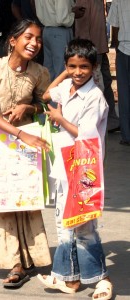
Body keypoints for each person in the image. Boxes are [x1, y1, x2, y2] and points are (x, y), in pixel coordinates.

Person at [0, 19, 52, 288]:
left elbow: (48, 108)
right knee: (3, 202)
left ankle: (30, 256)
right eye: (28, 37)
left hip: (25, 145)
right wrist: (21, 133)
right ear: (13, 40)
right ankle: (14, 263)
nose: (34, 43)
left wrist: (28, 109)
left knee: (26, 199)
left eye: (38, 39)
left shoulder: (40, 72)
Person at [37, 39, 113, 300]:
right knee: (63, 223)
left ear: (94, 67)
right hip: (63, 165)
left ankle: (100, 278)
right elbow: (47, 94)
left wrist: (60, 119)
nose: (78, 72)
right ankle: (69, 279)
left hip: (84, 168)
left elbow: (85, 136)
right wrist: (65, 72)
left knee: (83, 225)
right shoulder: (68, 86)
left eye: (84, 67)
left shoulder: (94, 97)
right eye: (73, 66)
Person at [74, 0, 120, 133]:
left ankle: (111, 121)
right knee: (96, 85)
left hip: (99, 45)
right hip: (91, 47)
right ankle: (97, 121)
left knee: (105, 82)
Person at [34, 0, 75, 81]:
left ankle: (49, 91)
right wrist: (74, 15)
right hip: (60, 30)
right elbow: (62, 19)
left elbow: (39, 14)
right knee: (62, 69)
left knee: (49, 69)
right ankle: (60, 92)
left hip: (47, 29)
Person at [107, 0, 130, 145]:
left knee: (124, 93)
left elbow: (114, 26)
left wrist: (115, 45)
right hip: (123, 49)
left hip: (123, 50)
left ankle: (127, 136)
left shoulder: (118, 1)